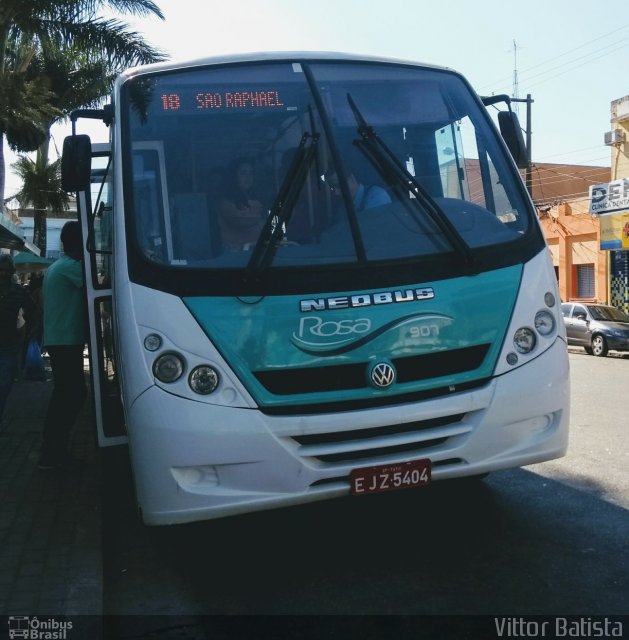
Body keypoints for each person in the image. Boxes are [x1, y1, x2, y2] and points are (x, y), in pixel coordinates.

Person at [38, 221, 88, 470]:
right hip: (66, 341)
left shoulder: (59, 266)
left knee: (66, 395)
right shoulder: (71, 267)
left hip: (61, 341)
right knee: (71, 395)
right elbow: (98, 285)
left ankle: (53, 451)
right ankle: (52, 453)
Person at [0, 254, 38, 423]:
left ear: (12, 272)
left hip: (8, 345)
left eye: (7, 270)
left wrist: (31, 330)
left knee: (5, 384)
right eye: (1, 270)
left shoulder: (19, 292)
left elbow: (34, 310)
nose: (3, 273)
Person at [216, 158, 266, 249]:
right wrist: (263, 220)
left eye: (251, 173)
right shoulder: (226, 201)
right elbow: (241, 223)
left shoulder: (255, 199)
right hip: (235, 253)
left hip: (257, 250)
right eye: (243, 173)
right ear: (233, 176)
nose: (248, 177)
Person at [326, 169, 391, 211]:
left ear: (352, 179)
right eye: (332, 188)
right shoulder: (342, 207)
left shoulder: (377, 196)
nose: (336, 192)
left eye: (338, 186)